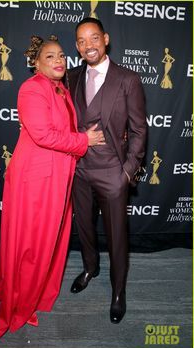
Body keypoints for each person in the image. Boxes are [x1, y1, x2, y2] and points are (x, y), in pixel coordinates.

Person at [0, 34, 105, 342]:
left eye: (62, 56)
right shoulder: (31, 88)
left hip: (56, 175)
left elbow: (57, 129)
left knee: (47, 240)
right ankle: (20, 299)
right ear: (35, 64)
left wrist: (81, 136)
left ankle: (35, 291)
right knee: (31, 242)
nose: (59, 61)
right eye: (50, 56)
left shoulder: (60, 89)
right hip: (36, 178)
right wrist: (84, 141)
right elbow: (42, 135)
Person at [68, 18, 147, 324]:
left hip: (113, 170)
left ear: (106, 39)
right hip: (79, 168)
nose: (89, 45)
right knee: (84, 228)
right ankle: (90, 267)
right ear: (77, 46)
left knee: (116, 237)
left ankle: (118, 291)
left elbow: (139, 130)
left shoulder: (127, 79)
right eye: (82, 41)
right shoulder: (71, 77)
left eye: (94, 38)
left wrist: (127, 172)